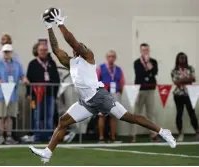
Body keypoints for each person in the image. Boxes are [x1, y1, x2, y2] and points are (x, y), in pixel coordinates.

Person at [29, 8, 176, 163]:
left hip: (100, 97)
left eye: (81, 46)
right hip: (86, 102)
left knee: (128, 117)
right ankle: (47, 152)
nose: (78, 47)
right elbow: (56, 50)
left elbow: (72, 41)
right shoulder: (70, 62)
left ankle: (162, 131)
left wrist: (60, 24)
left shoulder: (88, 56)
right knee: (63, 121)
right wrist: (49, 27)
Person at [0, 44, 29, 144]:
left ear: (11, 53)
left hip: (13, 93)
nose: (7, 54)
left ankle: (9, 136)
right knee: (1, 116)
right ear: (2, 53)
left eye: (8, 52)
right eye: (5, 52)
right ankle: (1, 137)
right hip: (1, 93)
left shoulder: (17, 64)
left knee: (10, 116)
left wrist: (25, 80)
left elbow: (22, 75)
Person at [26, 42, 60, 141]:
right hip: (36, 95)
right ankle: (37, 135)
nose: (43, 52)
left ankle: (48, 135)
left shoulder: (51, 63)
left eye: (45, 50)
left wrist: (55, 93)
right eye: (41, 50)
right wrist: (28, 93)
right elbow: (29, 79)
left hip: (50, 95)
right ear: (37, 51)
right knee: (37, 115)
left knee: (49, 116)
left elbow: (57, 79)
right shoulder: (32, 64)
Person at [131, 43, 159, 143]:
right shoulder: (137, 62)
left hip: (151, 89)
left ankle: (153, 135)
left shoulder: (153, 61)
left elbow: (155, 72)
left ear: (149, 50)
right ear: (140, 51)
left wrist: (148, 63)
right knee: (136, 113)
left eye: (147, 50)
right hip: (140, 90)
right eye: (143, 50)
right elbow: (140, 74)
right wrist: (149, 73)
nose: (145, 52)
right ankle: (133, 135)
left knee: (151, 113)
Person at [96, 50, 125, 143]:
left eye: (113, 56)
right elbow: (96, 80)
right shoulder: (101, 68)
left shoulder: (118, 69)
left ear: (115, 58)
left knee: (113, 116)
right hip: (103, 94)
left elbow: (121, 82)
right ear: (106, 57)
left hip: (114, 94)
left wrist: (120, 91)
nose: (111, 58)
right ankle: (101, 137)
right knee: (102, 116)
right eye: (109, 56)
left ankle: (112, 137)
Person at [171, 52, 199, 142]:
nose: (182, 59)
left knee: (192, 113)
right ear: (177, 59)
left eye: (184, 58)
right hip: (178, 95)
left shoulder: (190, 68)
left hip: (189, 94)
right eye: (180, 58)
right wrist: (187, 79)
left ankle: (197, 132)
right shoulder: (174, 70)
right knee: (179, 113)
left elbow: (193, 79)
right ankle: (180, 134)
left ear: (186, 59)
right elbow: (176, 83)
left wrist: (181, 80)